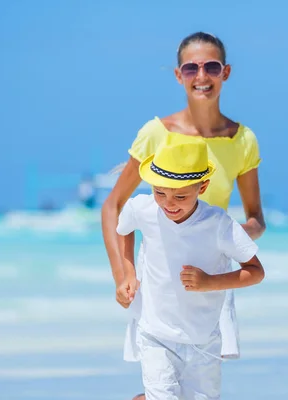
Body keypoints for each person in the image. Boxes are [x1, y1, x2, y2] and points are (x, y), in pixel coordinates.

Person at [100, 31, 266, 400]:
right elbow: (114, 206)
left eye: (211, 66)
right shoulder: (156, 133)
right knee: (160, 381)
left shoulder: (243, 140)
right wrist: (123, 273)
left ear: (226, 72)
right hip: (158, 275)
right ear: (179, 75)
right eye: (191, 67)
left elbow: (256, 218)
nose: (201, 75)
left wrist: (225, 237)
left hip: (213, 273)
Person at [116, 139, 265, 400]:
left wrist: (209, 282)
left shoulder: (218, 224)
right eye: (160, 193)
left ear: (203, 186)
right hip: (155, 335)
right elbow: (125, 227)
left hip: (203, 341)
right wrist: (128, 273)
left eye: (180, 196)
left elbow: (255, 271)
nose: (169, 203)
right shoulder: (143, 208)